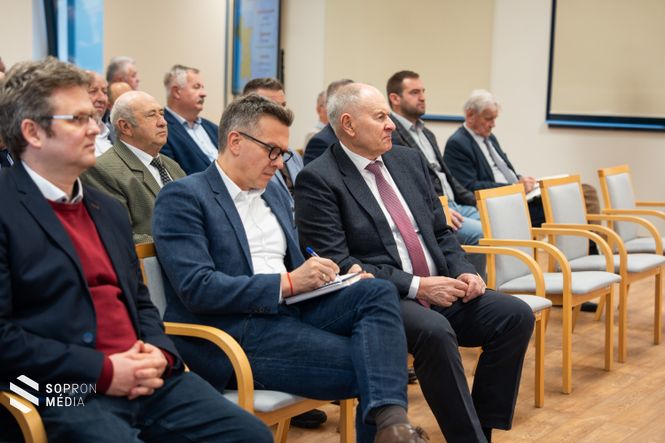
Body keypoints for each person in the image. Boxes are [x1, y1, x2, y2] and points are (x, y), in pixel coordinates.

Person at [0, 57, 271, 443]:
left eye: (94, 117)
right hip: (57, 387)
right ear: (33, 132)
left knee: (250, 435)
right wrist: (104, 371)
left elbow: (140, 301)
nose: (96, 128)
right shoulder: (6, 206)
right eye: (78, 119)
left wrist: (159, 352)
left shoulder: (106, 209)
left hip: (144, 374)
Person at [152, 93, 426, 443]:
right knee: (376, 363)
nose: (279, 163)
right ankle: (394, 427)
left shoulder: (273, 193)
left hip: (292, 312)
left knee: (376, 290)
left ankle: (392, 427)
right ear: (235, 141)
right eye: (272, 150)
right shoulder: (184, 197)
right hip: (235, 332)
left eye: (282, 153)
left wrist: (336, 279)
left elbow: (297, 264)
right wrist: (289, 283)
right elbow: (198, 288)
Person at [294, 83, 535, 443]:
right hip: (384, 299)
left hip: (443, 287)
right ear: (348, 124)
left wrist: (465, 270)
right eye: (380, 117)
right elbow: (339, 263)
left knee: (515, 316)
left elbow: (440, 232)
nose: (391, 124)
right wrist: (418, 286)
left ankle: (481, 430)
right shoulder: (318, 178)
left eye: (388, 116)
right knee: (435, 332)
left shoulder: (408, 161)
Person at [387, 70, 484, 275]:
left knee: (499, 221)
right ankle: (475, 287)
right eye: (414, 92)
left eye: (423, 91)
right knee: (482, 233)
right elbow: (407, 184)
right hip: (438, 207)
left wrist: (476, 202)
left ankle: (498, 284)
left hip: (457, 205)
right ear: (395, 99)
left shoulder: (427, 133)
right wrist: (439, 208)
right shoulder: (391, 135)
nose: (422, 97)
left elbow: (448, 178)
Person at [82, 90, 185, 243]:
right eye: (152, 115)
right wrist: (186, 244)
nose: (163, 122)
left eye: (161, 114)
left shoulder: (172, 165)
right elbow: (120, 234)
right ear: (125, 127)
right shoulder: (102, 170)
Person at [443, 89, 545, 227]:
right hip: (496, 203)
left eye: (494, 119)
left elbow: (504, 170)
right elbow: (469, 186)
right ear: (470, 115)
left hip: (514, 195)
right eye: (488, 119)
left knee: (548, 200)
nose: (493, 124)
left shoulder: (490, 138)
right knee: (545, 209)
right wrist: (513, 187)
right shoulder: (457, 143)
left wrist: (522, 180)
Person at [242, 77, 303, 199]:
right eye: (272, 106)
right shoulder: (246, 159)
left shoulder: (293, 156)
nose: (282, 112)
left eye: (283, 105)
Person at [160, 65, 219, 175]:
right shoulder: (161, 129)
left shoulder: (214, 129)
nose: (203, 94)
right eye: (196, 87)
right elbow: (172, 176)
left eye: (203, 87)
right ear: (176, 92)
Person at [303, 78, 354, 165]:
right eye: (348, 100)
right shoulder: (319, 143)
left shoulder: (359, 136)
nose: (355, 105)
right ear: (331, 105)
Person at [85, 71, 113, 156]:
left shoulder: (113, 134)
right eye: (93, 91)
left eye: (105, 92)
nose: (102, 99)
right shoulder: (73, 138)